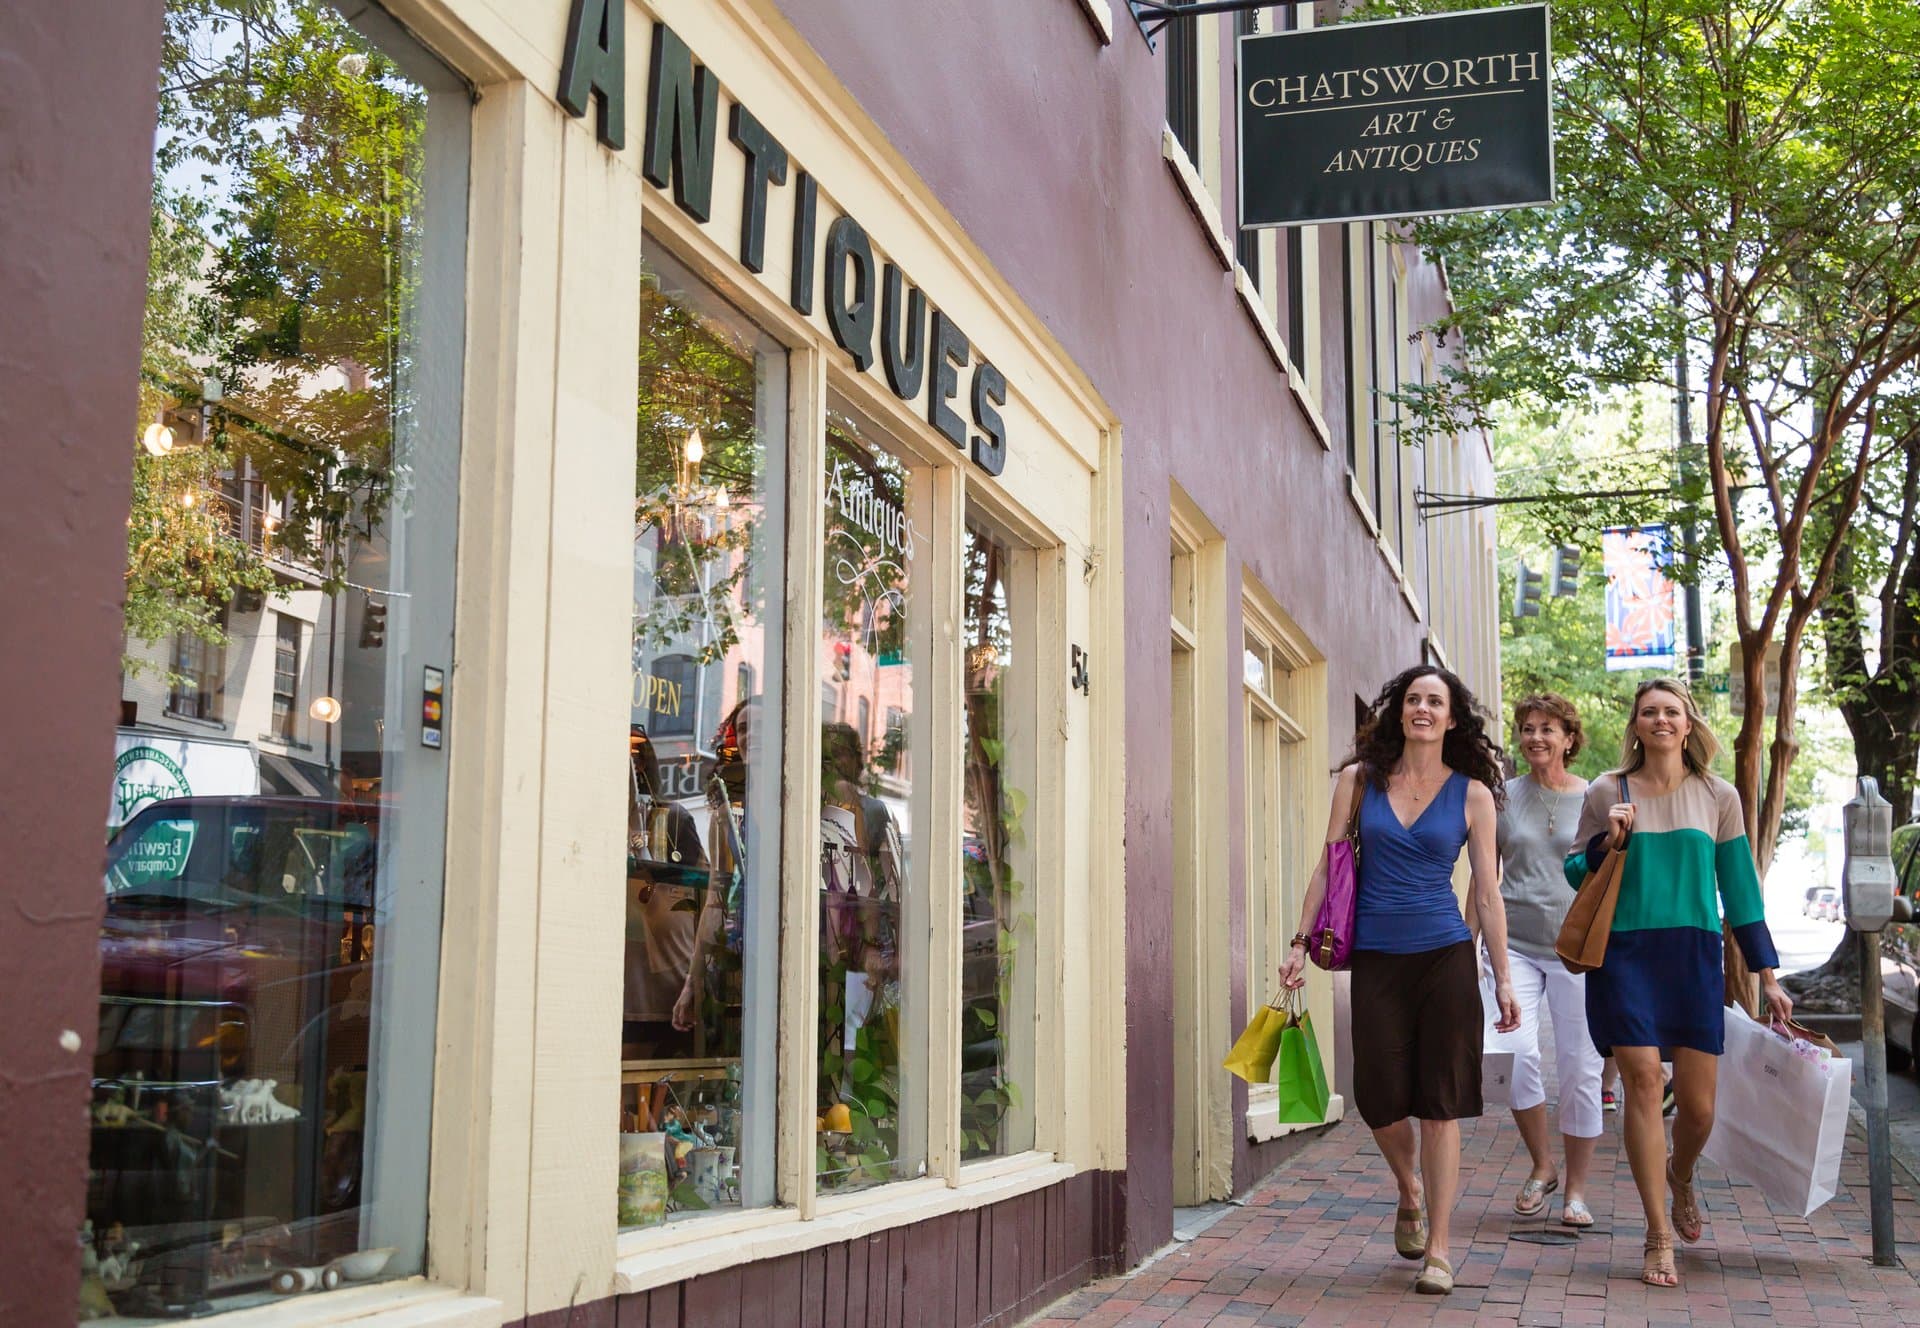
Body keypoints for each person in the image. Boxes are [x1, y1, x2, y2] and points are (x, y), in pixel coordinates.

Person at [1281, 666, 1521, 1296]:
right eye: (1413, 699)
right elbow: (1327, 866)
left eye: (1434, 701)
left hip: (1444, 957)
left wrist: (1502, 981)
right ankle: (1408, 1187)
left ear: (1451, 718)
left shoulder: (1472, 794)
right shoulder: (1359, 782)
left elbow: (1488, 897)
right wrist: (1298, 942)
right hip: (1378, 958)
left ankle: (1439, 1248)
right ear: (1399, 712)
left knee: (1441, 1104)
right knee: (1379, 1098)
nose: (1422, 708)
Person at [1564, 678, 1792, 1288]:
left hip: (1693, 956)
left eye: (1672, 712)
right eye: (1649, 713)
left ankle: (1681, 1173)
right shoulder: (1604, 792)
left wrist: (1767, 975)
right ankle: (1657, 1233)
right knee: (1641, 1080)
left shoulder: (1718, 796)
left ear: (1688, 725)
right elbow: (1571, 871)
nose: (1660, 720)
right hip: (1624, 955)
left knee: (1698, 1109)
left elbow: (1741, 891)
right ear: (1635, 725)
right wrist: (1603, 842)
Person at [1464, 694, 1602, 1227]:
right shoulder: (1501, 797)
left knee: (1581, 1069)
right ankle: (1543, 1165)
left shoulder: (1595, 797)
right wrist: (1466, 943)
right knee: (1512, 1054)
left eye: (1547, 728)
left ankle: (1577, 1192)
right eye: (1526, 728)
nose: (1535, 737)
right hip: (1514, 945)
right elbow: (1484, 876)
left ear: (1570, 737)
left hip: (1578, 950)